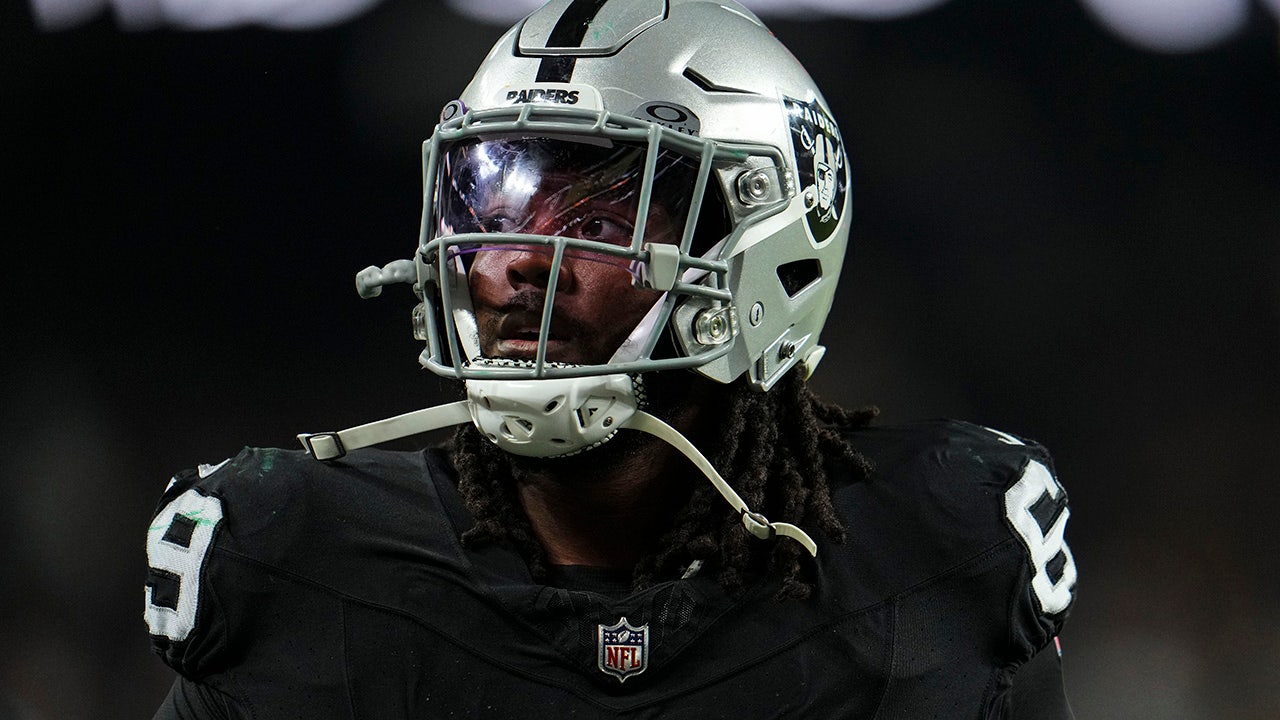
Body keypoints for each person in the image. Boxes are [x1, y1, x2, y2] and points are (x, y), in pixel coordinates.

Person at [143, 1, 1078, 717]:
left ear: (765, 248)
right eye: (491, 214)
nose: (513, 263)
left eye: (592, 225)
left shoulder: (942, 559)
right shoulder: (292, 561)